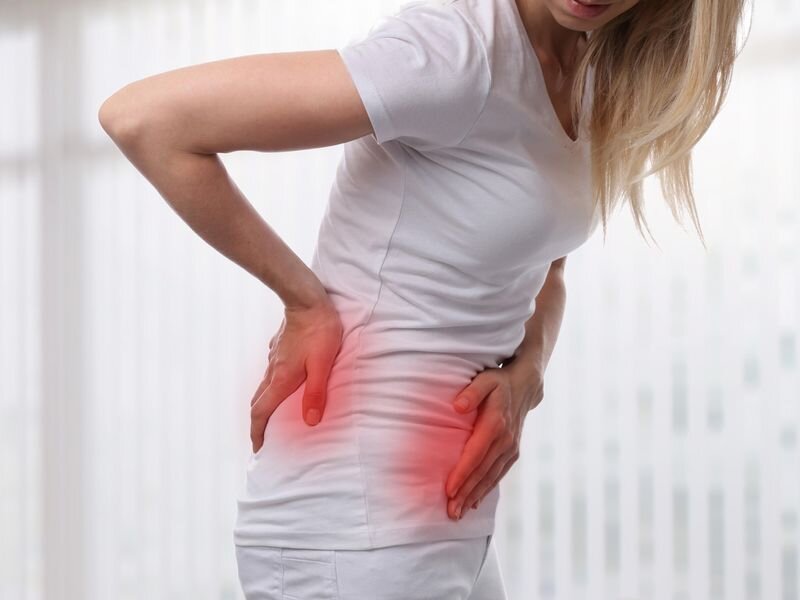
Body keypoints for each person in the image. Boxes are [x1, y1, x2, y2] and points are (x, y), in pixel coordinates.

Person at [98, 0, 748, 597]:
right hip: (351, 527)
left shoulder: (583, 68)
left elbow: (546, 265)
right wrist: (303, 301)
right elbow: (146, 121)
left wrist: (529, 370)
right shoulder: (453, 51)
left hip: (447, 528)